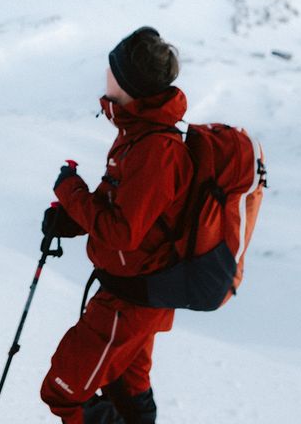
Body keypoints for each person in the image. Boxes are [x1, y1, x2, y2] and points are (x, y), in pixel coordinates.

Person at [39, 27, 191, 424]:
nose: (106, 75)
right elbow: (125, 210)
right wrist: (70, 220)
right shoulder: (138, 135)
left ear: (129, 84)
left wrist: (71, 192)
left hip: (129, 301)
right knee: (128, 388)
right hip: (134, 293)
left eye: (113, 70)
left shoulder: (156, 150)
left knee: (63, 390)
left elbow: (123, 233)